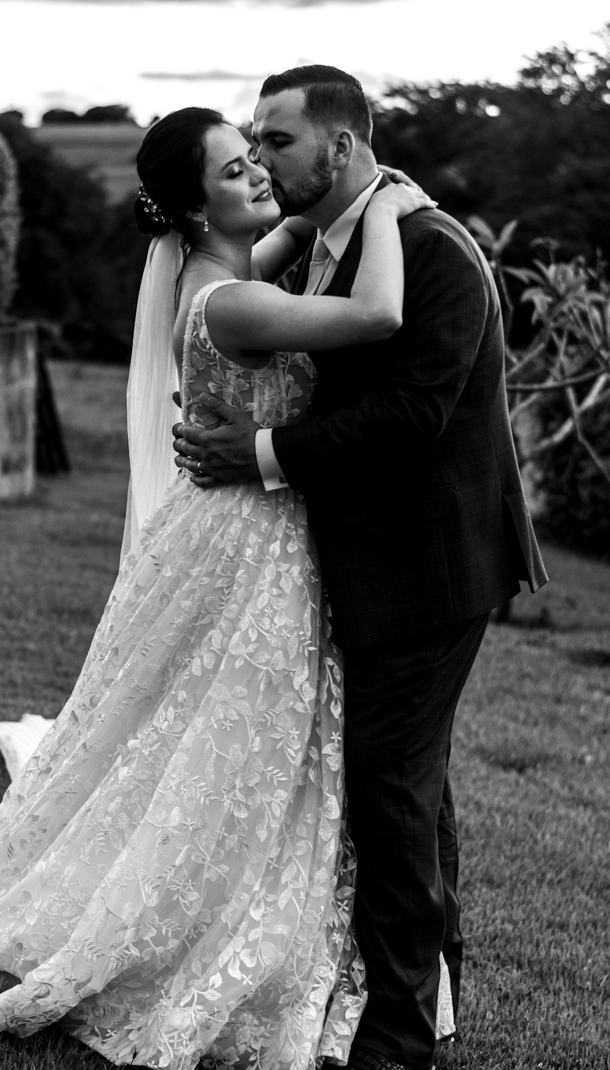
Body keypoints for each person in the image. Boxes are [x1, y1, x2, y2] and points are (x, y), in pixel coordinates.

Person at [0, 108, 438, 1070]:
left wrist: (318, 209)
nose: (257, 176)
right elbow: (378, 315)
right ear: (194, 210)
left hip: (234, 529)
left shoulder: (219, 271)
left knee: (208, 731)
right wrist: (387, 204)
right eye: (234, 171)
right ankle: (195, 917)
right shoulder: (229, 302)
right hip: (252, 543)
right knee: (233, 732)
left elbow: (281, 234)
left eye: (256, 157)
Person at [173, 69, 549, 1070]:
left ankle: (395, 1037)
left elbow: (411, 415)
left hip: (431, 567)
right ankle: (431, 998)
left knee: (389, 789)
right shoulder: (320, 242)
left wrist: (258, 454)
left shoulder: (434, 251)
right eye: (252, 141)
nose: (263, 157)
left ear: (339, 147)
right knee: (408, 786)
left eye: (278, 139)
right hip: (366, 559)